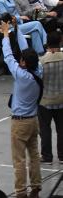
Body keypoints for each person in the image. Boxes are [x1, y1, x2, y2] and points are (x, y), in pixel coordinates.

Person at [1, 20, 43, 198]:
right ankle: (36, 185)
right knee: (34, 154)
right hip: (33, 120)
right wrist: (16, 29)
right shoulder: (38, 70)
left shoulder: (21, 75)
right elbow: (26, 49)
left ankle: (20, 192)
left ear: (24, 63)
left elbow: (8, 56)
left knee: (19, 159)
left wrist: (5, 35)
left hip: (20, 122)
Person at [39, 32, 63, 163]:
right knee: (62, 129)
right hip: (62, 100)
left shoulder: (41, 61)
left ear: (47, 43)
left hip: (45, 100)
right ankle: (62, 155)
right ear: (60, 42)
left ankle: (47, 156)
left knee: (45, 129)